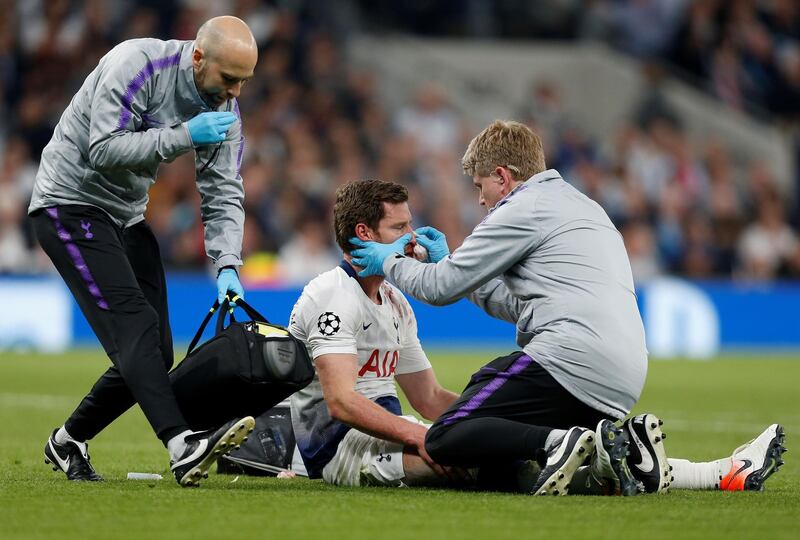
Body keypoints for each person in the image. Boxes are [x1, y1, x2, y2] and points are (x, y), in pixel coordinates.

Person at [350, 120, 786, 495]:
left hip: (569, 358)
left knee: (449, 435)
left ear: (502, 176)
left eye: (480, 186)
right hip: (623, 374)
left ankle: (566, 441)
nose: (481, 200)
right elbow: (519, 307)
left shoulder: (521, 208)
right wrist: (450, 266)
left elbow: (439, 289)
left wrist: (389, 261)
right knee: (504, 462)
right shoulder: (582, 206)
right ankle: (714, 472)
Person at [29, 16, 259, 487]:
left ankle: (69, 440)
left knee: (157, 349)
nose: (235, 93)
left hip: (126, 216)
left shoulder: (225, 111)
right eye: (229, 79)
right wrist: (186, 135)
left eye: (244, 82)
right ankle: (181, 444)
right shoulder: (136, 64)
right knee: (136, 324)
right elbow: (102, 149)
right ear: (198, 57)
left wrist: (227, 263)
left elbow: (223, 192)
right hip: (68, 204)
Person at [288, 179, 470, 488]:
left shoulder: (395, 301)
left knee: (492, 448)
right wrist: (419, 435)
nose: (412, 238)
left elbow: (428, 397)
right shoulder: (332, 295)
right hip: (338, 448)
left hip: (390, 435)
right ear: (365, 234)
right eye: (399, 228)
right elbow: (342, 402)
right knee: (470, 464)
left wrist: (488, 419)